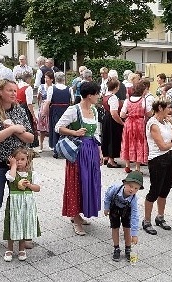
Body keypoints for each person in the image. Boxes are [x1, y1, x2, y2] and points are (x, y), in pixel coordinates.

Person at [55, 82, 103, 236]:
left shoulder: (94, 110)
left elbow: (96, 134)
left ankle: (79, 214)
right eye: (97, 93)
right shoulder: (73, 110)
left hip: (92, 150)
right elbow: (58, 127)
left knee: (89, 182)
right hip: (78, 151)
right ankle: (75, 218)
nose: (98, 96)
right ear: (89, 95)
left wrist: (100, 152)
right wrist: (74, 132)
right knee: (76, 182)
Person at [0, 79, 34, 246]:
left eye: (14, 90)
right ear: (0, 92)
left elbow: (30, 137)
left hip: (20, 165)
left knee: (22, 201)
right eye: (9, 90)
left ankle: (22, 237)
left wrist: (16, 130)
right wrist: (12, 129)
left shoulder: (19, 110)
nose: (13, 93)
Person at [143, 96, 172, 235]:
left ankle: (160, 217)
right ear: (160, 108)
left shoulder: (166, 121)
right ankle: (146, 220)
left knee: (165, 190)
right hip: (157, 159)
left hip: (169, 157)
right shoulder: (153, 124)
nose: (170, 110)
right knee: (155, 190)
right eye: (168, 108)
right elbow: (162, 146)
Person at [3, 147, 41, 262]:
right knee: (12, 224)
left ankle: (21, 248)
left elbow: (37, 188)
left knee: (23, 223)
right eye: (17, 159)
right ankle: (9, 249)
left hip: (27, 204)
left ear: (27, 160)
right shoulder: (11, 172)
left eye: (22, 159)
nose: (19, 162)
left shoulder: (32, 173)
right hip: (14, 203)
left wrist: (29, 185)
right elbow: (11, 178)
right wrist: (13, 165)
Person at [104, 171, 143, 262]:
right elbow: (108, 196)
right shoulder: (115, 188)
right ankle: (116, 248)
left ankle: (128, 249)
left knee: (127, 229)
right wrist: (106, 208)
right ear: (125, 183)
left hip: (126, 211)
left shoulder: (133, 199)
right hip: (114, 209)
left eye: (136, 188)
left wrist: (134, 234)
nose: (132, 190)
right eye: (130, 186)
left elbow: (135, 216)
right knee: (115, 228)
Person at [120, 81, 152, 173]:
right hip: (140, 123)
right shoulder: (143, 101)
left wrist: (129, 115)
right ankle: (137, 167)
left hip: (129, 123)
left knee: (127, 142)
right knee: (139, 143)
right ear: (142, 90)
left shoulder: (127, 100)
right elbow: (149, 113)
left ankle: (127, 165)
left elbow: (122, 114)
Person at [43, 72, 72, 158]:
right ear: (64, 79)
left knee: (55, 130)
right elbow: (72, 102)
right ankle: (65, 149)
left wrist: (45, 113)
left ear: (55, 79)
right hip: (66, 111)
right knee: (65, 130)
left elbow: (48, 102)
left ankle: (56, 150)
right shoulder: (69, 89)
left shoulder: (52, 88)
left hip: (55, 110)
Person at [102, 79, 124, 168]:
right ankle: (111, 160)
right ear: (116, 87)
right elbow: (114, 113)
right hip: (112, 120)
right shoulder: (113, 97)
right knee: (112, 138)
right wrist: (121, 122)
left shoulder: (106, 95)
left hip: (106, 118)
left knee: (107, 137)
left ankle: (106, 156)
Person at [16, 72, 39, 149]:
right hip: (25, 108)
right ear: (28, 79)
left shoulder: (17, 86)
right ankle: (29, 145)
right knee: (29, 126)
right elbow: (29, 104)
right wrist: (33, 116)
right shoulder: (28, 88)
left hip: (17, 107)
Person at [37, 71, 54, 152]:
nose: (45, 79)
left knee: (51, 126)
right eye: (45, 77)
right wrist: (40, 107)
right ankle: (41, 145)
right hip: (43, 107)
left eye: (47, 78)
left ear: (52, 79)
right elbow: (39, 98)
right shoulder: (41, 87)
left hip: (51, 107)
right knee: (42, 128)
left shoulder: (54, 87)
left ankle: (51, 144)